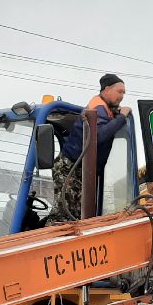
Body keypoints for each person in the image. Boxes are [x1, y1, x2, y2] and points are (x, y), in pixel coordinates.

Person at [47, 73, 131, 222]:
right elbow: (98, 135)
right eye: (119, 92)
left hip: (82, 170)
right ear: (106, 90)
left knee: (78, 215)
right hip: (70, 168)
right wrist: (122, 117)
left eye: (124, 93)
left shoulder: (106, 110)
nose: (122, 96)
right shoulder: (97, 107)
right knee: (64, 216)